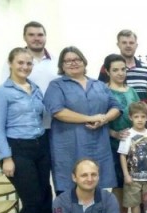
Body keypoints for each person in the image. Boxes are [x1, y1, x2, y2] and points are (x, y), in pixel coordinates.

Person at [0, 47, 55, 213]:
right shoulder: (1, 93)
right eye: (20, 63)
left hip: (39, 146)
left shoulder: (35, 88)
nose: (25, 67)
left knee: (43, 194)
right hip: (17, 150)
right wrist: (6, 157)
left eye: (28, 63)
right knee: (31, 200)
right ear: (10, 63)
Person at [2, 21, 57, 213]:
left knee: (44, 182)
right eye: (32, 35)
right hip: (20, 139)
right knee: (31, 192)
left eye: (40, 34)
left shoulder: (50, 67)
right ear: (25, 38)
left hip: (46, 131)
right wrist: (6, 155)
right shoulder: (5, 86)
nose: (37, 38)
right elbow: (0, 120)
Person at [43, 46, 121, 193]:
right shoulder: (56, 86)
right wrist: (90, 118)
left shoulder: (98, 85)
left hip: (99, 143)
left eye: (77, 59)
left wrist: (104, 119)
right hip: (69, 145)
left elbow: (116, 106)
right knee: (70, 187)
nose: (73, 63)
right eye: (67, 61)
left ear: (84, 62)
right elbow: (57, 111)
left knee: (99, 186)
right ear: (62, 65)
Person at [104, 53, 141, 213]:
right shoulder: (104, 91)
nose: (120, 73)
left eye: (123, 69)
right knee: (118, 182)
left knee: (132, 181)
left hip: (134, 144)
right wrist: (114, 134)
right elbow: (101, 119)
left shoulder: (131, 90)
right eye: (115, 70)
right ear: (107, 71)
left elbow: (140, 113)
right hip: (114, 145)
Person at [97, 29, 147, 101]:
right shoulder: (107, 67)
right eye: (124, 43)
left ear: (136, 45)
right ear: (118, 45)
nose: (128, 46)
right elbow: (100, 92)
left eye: (131, 43)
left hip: (142, 111)